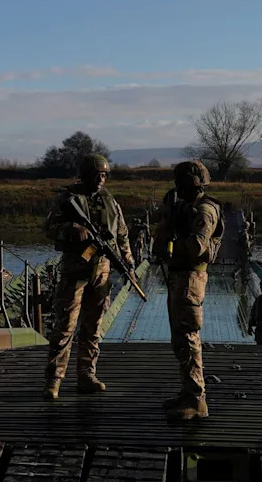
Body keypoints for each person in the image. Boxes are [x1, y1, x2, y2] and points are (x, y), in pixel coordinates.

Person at [42, 154, 135, 400]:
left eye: (104, 175)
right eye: (97, 175)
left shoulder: (110, 202)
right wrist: (72, 230)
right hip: (74, 269)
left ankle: (86, 375)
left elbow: (122, 234)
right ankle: (54, 380)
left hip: (101, 271)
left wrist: (128, 261)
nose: (101, 180)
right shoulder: (67, 199)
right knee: (65, 326)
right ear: (85, 175)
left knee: (93, 327)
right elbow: (48, 228)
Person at [152, 160, 224, 420]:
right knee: (179, 341)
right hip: (180, 276)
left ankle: (197, 400)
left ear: (192, 183)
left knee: (188, 337)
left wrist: (172, 242)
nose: (176, 187)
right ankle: (188, 392)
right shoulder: (186, 207)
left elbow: (196, 247)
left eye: (180, 182)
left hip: (191, 278)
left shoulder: (205, 210)